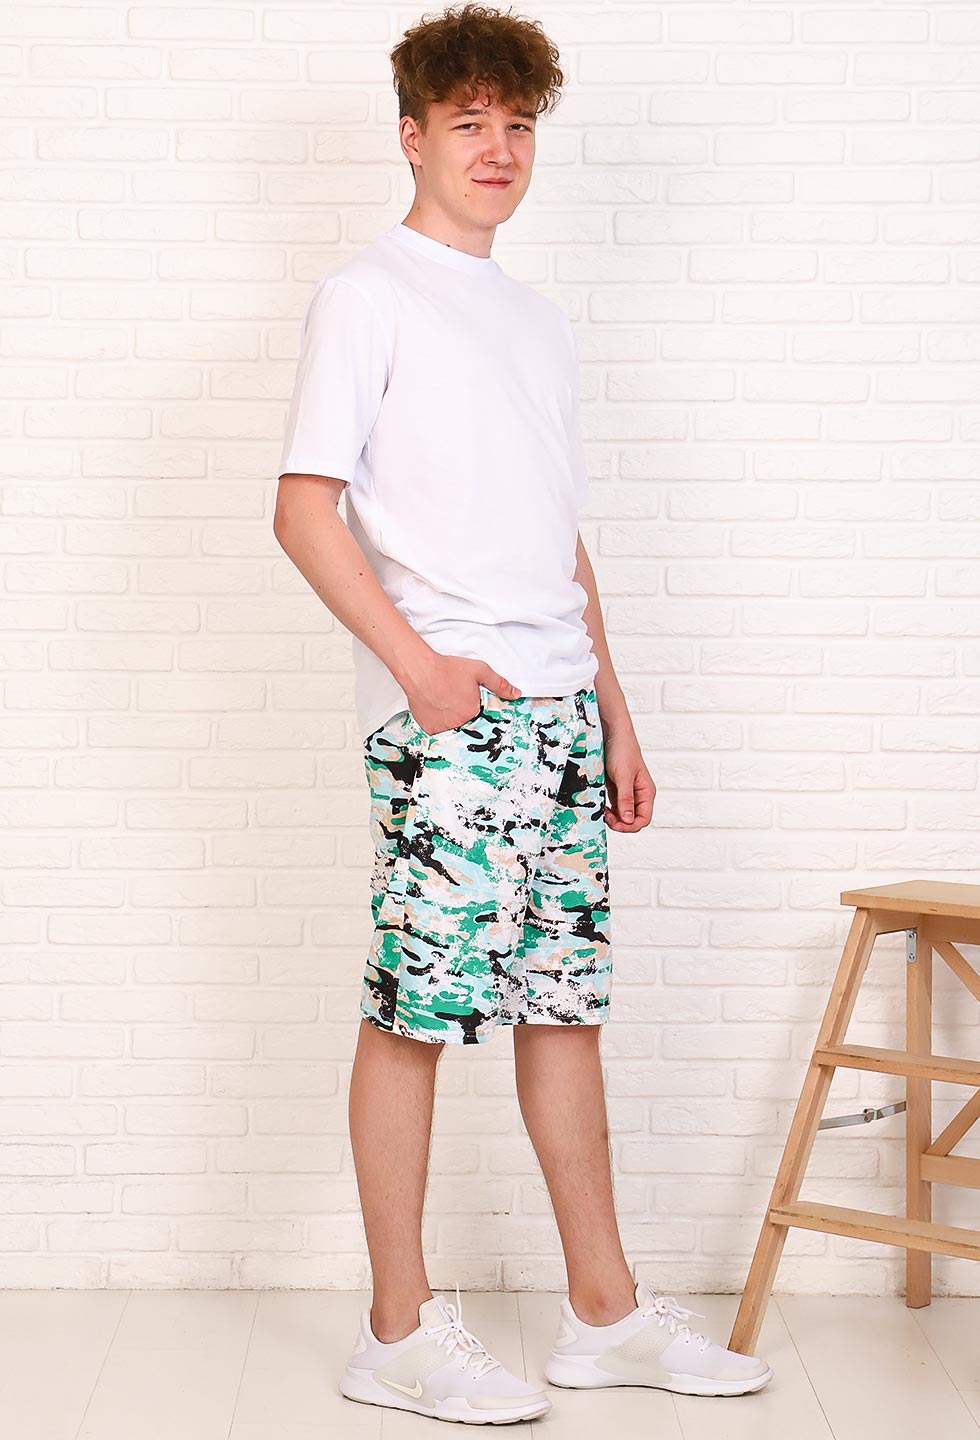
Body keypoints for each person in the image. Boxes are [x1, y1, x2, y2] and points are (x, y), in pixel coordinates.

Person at [273, 1, 772, 1425]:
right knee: (415, 1011)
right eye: (468, 122)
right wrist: (421, 672)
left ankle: (603, 1314)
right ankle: (395, 1330)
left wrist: (616, 709)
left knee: (564, 1009)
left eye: (518, 124)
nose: (497, 148)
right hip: (451, 719)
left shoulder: (536, 322)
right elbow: (304, 510)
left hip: (556, 711)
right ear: (413, 136)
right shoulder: (369, 294)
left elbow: (559, 538)